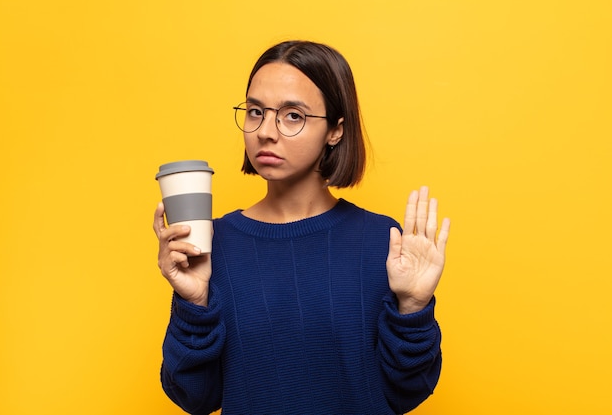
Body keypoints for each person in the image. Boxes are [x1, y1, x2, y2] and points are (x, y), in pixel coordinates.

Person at [153, 40, 451, 415]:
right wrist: (193, 302)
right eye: (255, 112)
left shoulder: (383, 242)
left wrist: (413, 307)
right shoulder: (209, 244)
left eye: (293, 115)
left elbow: (406, 392)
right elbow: (195, 397)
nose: (265, 131)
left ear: (335, 131)